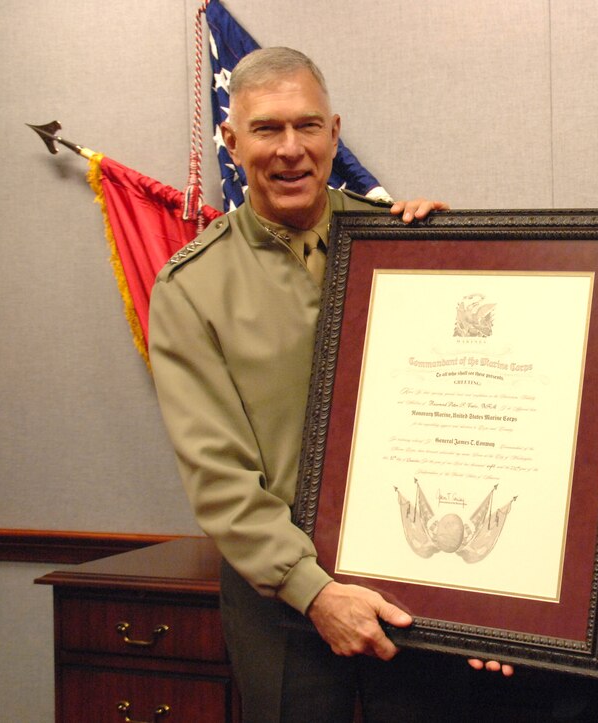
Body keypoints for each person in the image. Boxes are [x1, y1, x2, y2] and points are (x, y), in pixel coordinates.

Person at [149, 47, 472, 723]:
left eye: (309, 126)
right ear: (231, 141)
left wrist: (460, 254)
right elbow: (219, 475)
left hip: (411, 580)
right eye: (267, 129)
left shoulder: (401, 244)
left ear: (334, 132)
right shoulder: (192, 288)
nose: (291, 149)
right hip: (280, 600)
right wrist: (315, 591)